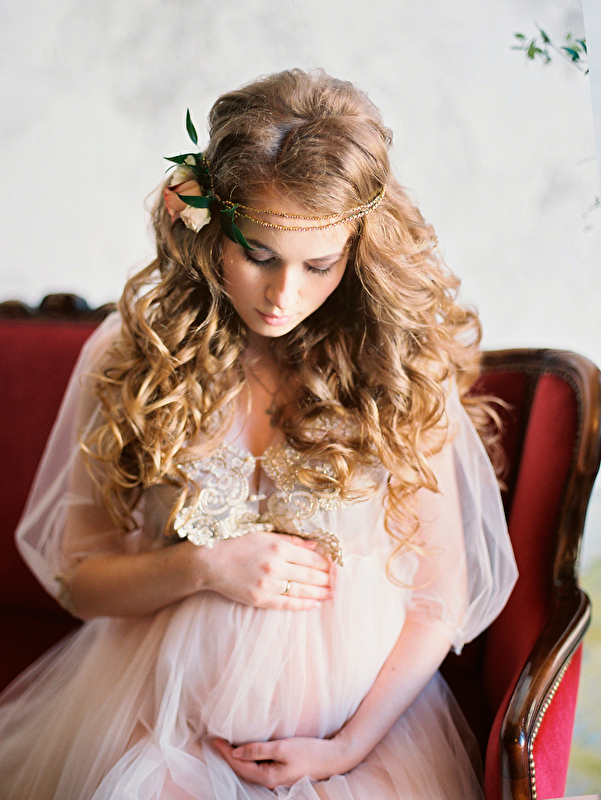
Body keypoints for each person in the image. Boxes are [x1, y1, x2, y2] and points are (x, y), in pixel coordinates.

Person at [0, 69, 517, 800]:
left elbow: (439, 601)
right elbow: (80, 581)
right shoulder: (139, 357)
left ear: (357, 249)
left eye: (319, 265)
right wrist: (202, 567)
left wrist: (343, 749)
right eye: (260, 256)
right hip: (160, 719)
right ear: (210, 232)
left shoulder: (396, 367)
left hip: (352, 746)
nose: (283, 295)